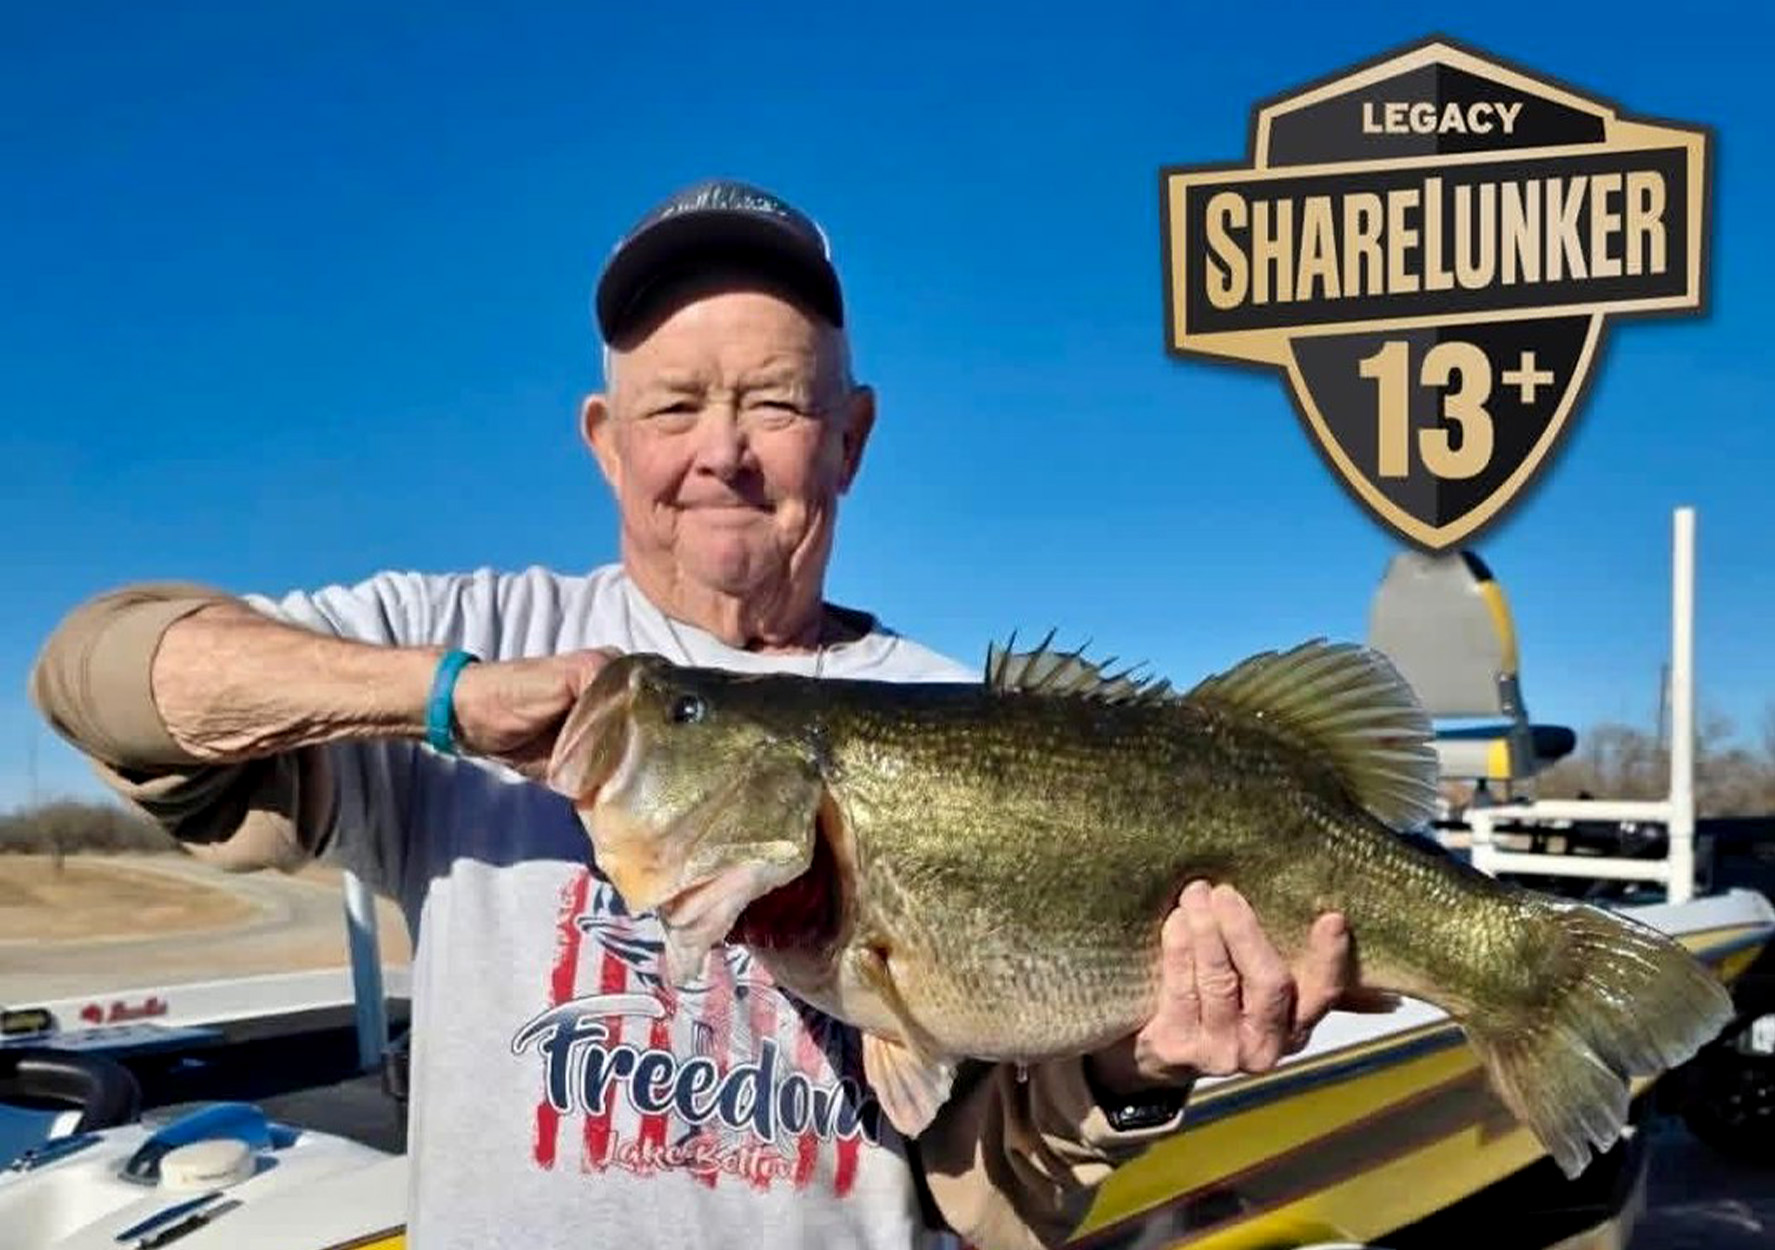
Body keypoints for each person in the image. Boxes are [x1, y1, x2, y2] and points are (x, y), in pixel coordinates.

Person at [29, 179, 1359, 1250]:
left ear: (851, 437)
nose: (721, 450)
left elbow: (990, 1205)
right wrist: (439, 694)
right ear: (606, 438)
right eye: (675, 405)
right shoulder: (472, 637)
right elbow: (104, 677)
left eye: (775, 401)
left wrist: (1134, 1070)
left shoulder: (963, 715)